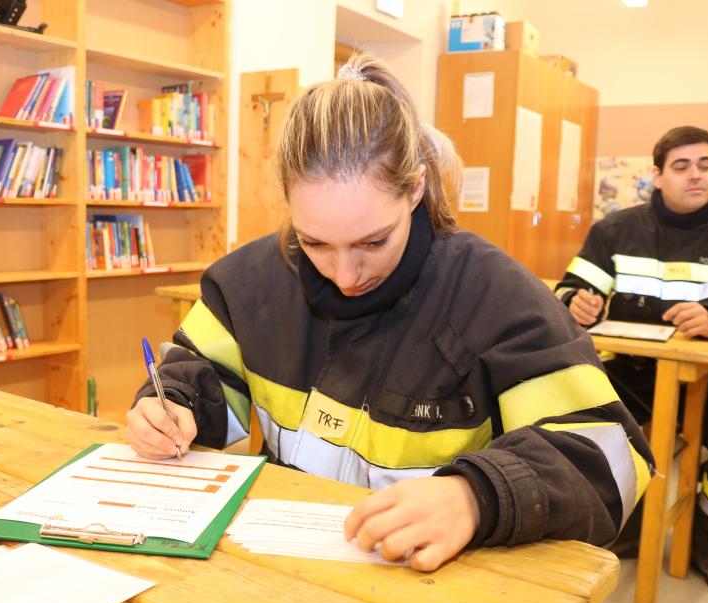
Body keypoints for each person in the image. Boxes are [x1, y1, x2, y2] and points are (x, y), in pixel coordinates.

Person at [126, 54, 653, 572]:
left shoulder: (497, 299)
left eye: (373, 241)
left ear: (416, 188)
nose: (344, 275)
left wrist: (476, 496)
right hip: (288, 563)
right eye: (314, 243)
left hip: (437, 579)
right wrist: (172, 404)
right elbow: (201, 374)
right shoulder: (248, 282)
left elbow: (611, 457)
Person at [555, 126, 708, 601]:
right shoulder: (615, 229)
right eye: (681, 166)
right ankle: (624, 528)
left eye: (705, 165)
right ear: (658, 175)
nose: (695, 175)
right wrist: (575, 303)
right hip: (628, 370)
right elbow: (569, 290)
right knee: (570, 426)